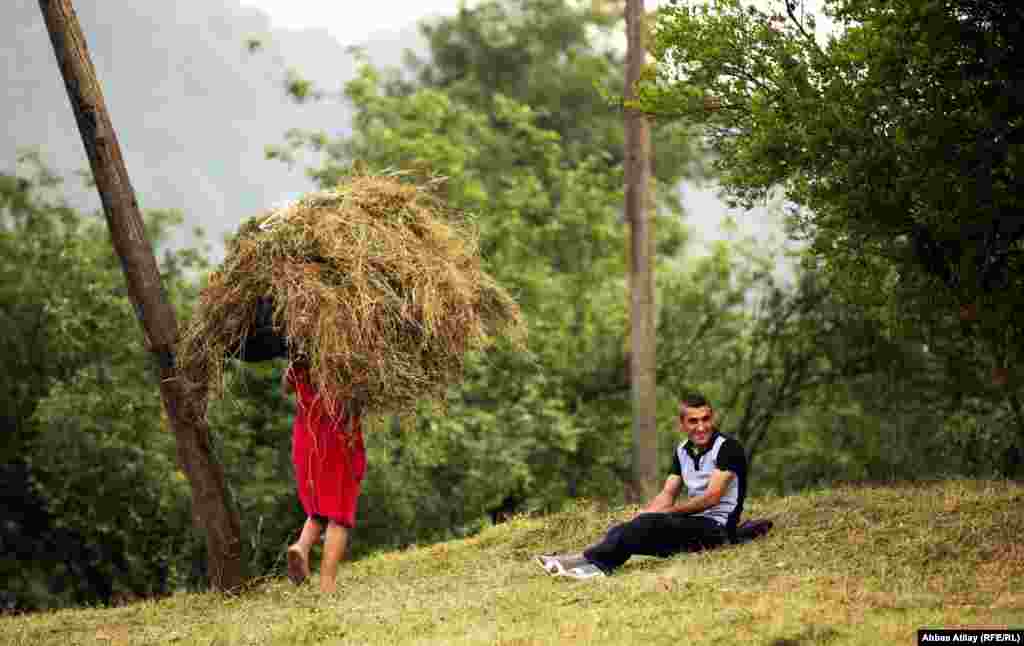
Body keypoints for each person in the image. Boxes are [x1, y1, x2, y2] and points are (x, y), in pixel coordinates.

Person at [537, 392, 748, 579]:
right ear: (682, 424)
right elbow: (667, 493)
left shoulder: (728, 448)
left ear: (713, 418)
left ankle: (595, 567)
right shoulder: (682, 450)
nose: (701, 427)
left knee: (647, 525)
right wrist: (645, 515)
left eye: (706, 419)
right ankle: (579, 562)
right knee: (628, 528)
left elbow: (712, 498)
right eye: (693, 421)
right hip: (691, 525)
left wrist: (668, 514)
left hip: (717, 529)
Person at [283, 359, 367, 593]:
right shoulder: (344, 353)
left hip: (305, 439)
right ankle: (327, 583)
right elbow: (360, 394)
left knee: (320, 507)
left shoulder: (300, 359)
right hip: (335, 438)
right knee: (340, 514)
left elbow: (286, 387)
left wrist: (297, 367)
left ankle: (301, 546)